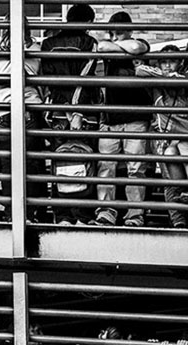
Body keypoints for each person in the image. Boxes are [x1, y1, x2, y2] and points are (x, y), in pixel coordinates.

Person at [41, 4, 100, 225]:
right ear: (88, 23)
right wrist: (76, 111)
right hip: (82, 113)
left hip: (56, 111)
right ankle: (82, 216)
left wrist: (63, 108)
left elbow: (47, 80)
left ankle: (62, 216)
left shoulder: (48, 44)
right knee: (82, 162)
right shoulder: (89, 43)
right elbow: (87, 78)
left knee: (59, 161)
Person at [94, 12, 151, 227]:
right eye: (114, 28)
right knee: (106, 167)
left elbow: (137, 48)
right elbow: (102, 47)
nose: (117, 32)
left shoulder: (141, 43)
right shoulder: (106, 45)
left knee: (136, 169)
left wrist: (119, 47)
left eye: (121, 29)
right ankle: (106, 212)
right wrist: (121, 48)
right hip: (110, 117)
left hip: (136, 116)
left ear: (130, 30)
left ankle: (134, 216)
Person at [0, 19, 44, 222]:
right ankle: (29, 214)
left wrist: (9, 67)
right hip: (27, 107)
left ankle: (15, 215)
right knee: (29, 163)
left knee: (10, 164)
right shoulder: (34, 48)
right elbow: (24, 72)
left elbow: (1, 73)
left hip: (3, 109)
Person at [135, 46, 188, 228]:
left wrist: (178, 79)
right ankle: (178, 221)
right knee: (170, 179)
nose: (167, 65)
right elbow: (140, 70)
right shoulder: (157, 84)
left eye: (171, 61)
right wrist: (165, 77)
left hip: (184, 138)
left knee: (179, 149)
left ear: (180, 62)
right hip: (165, 140)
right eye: (163, 62)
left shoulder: (184, 82)